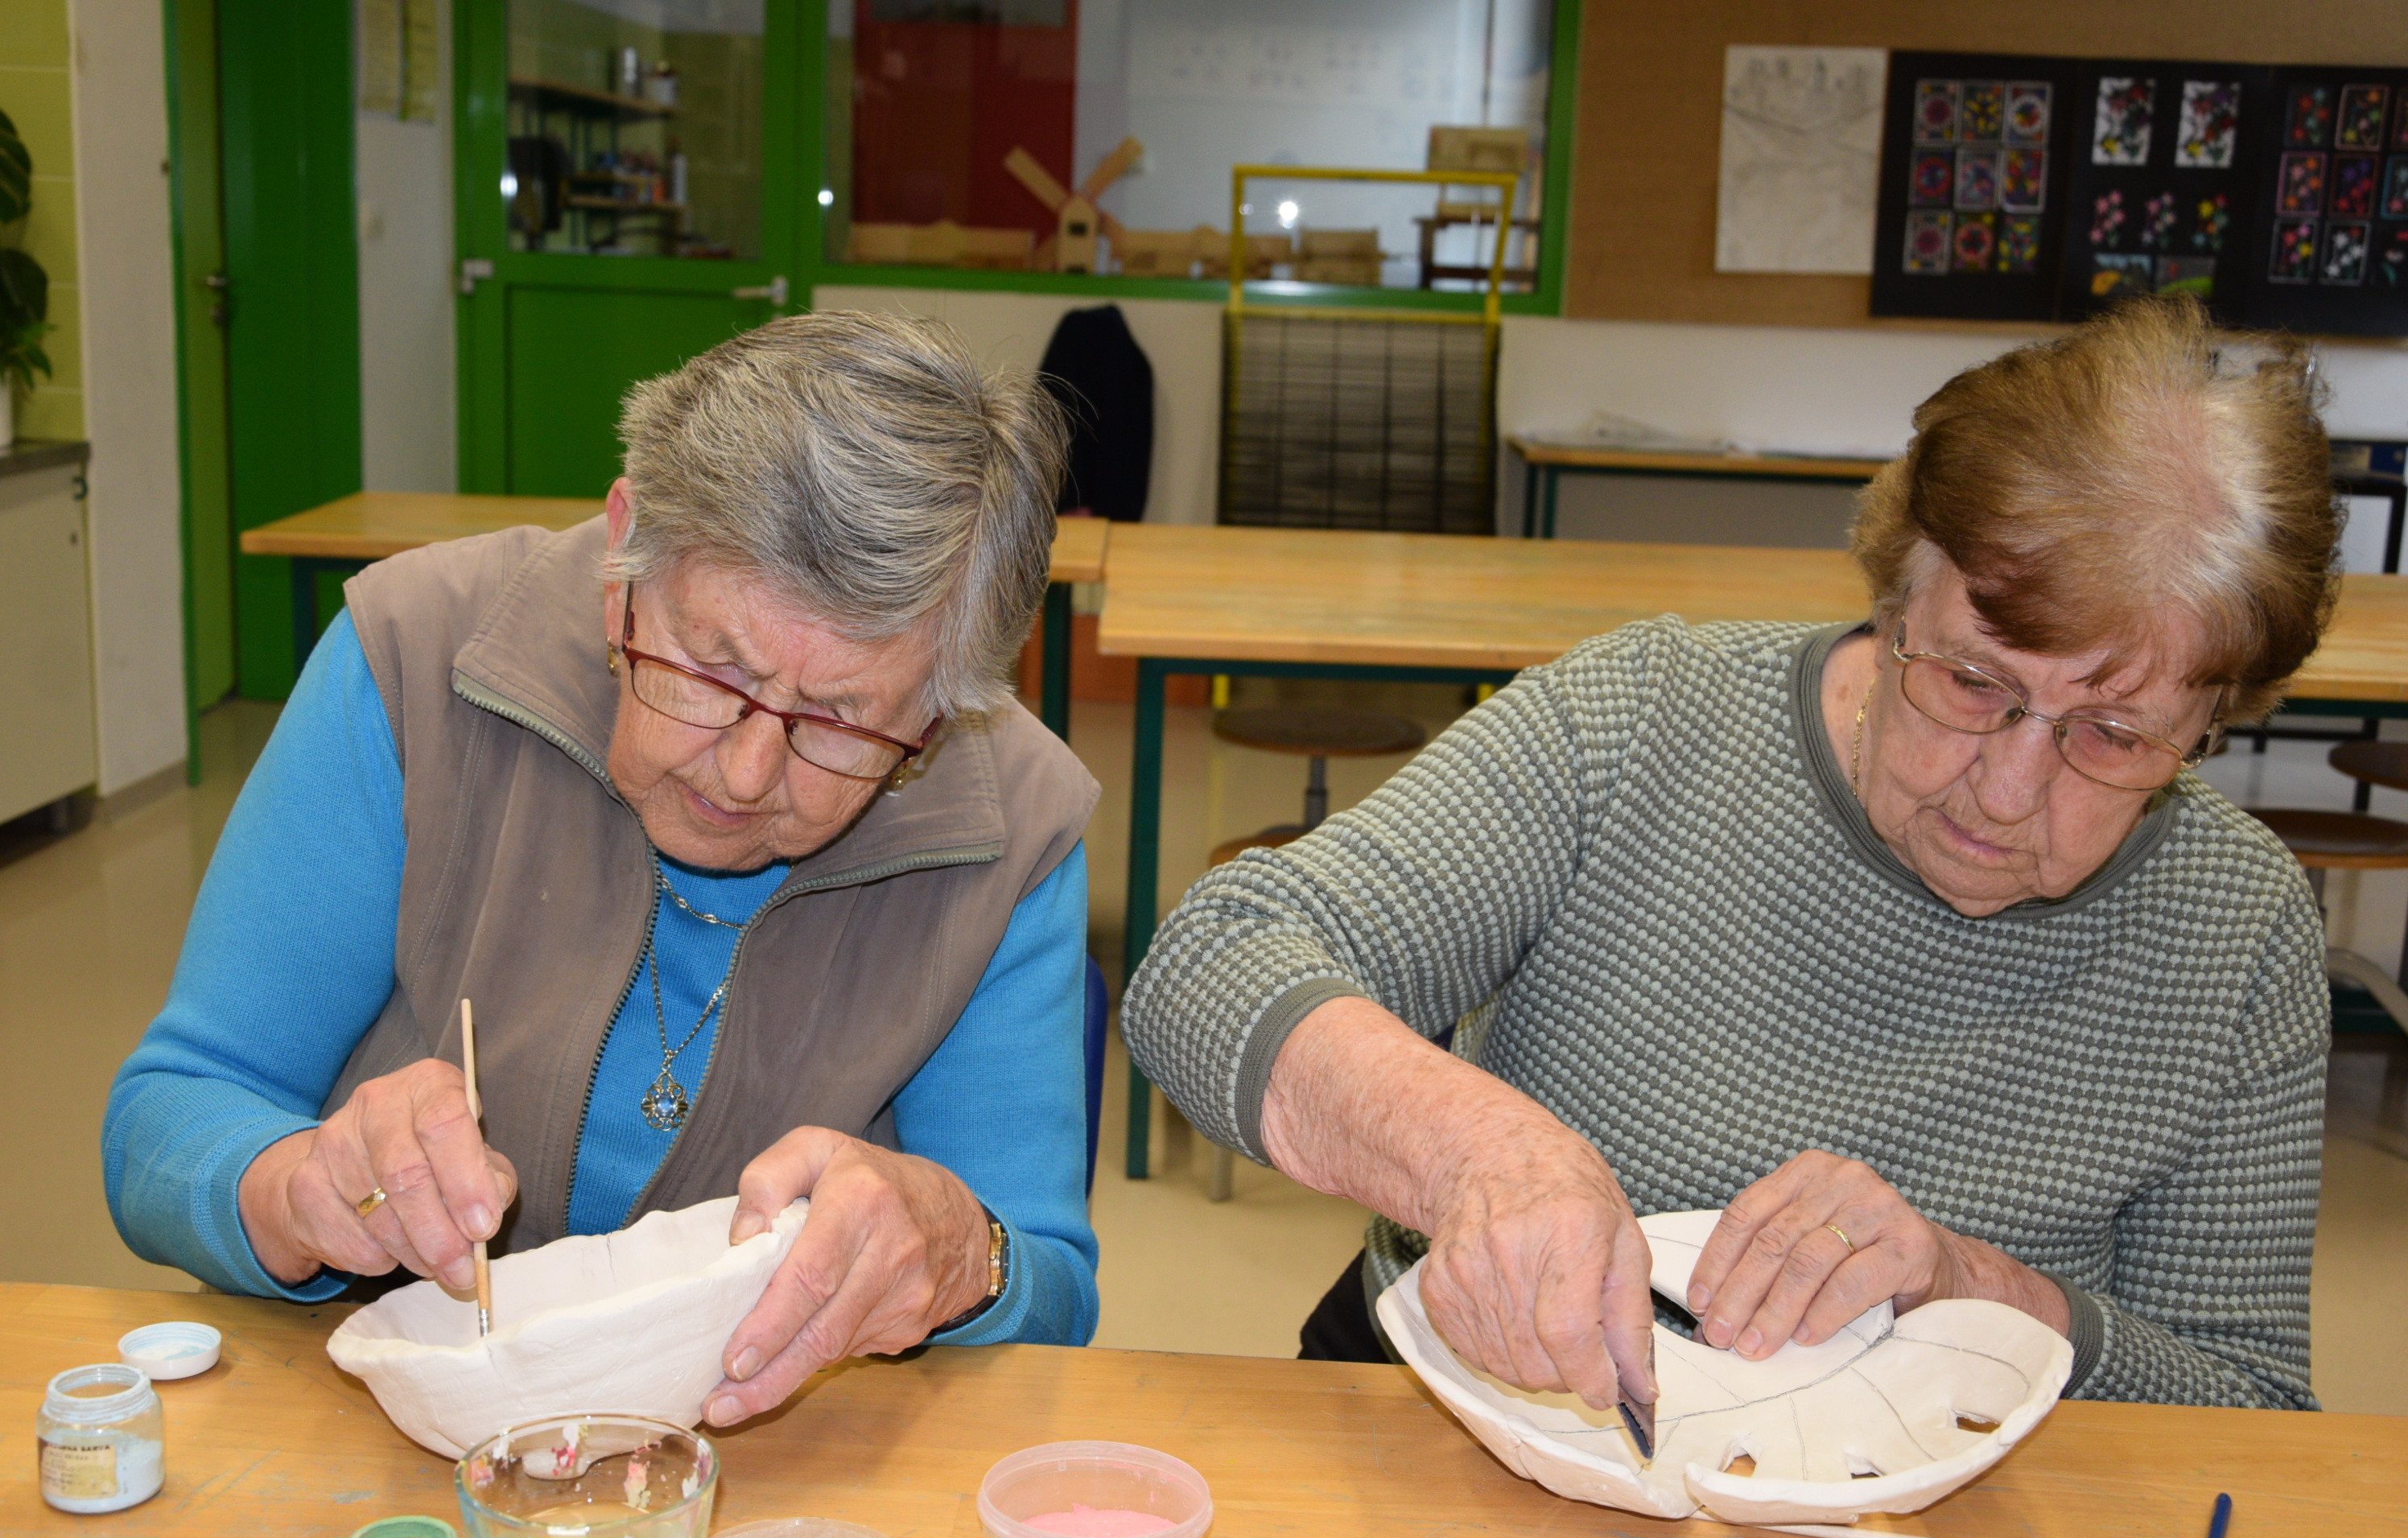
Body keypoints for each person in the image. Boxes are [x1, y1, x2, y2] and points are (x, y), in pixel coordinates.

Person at [1123, 295, 2337, 1412]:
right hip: (1485, 1422)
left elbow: (2246, 1408)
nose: (2012, 789)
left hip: (1902, 1522)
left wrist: (1978, 1292)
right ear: (1890, 598)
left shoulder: (2236, 924)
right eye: (1972, 682)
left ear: (2214, 724)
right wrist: (1477, 1154)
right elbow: (1213, 962)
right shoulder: (1651, 716)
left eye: (2115, 734)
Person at [106, 311, 1100, 1427]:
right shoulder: (418, 655)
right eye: (713, 669)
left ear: (944, 704)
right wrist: (292, 1188)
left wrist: (967, 1252)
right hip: (368, 1438)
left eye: (842, 722)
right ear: (627, 547)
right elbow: (167, 1117)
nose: (746, 768)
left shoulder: (1010, 822)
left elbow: (1051, 1290)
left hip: (782, 1462)